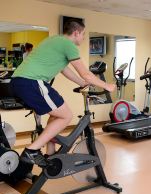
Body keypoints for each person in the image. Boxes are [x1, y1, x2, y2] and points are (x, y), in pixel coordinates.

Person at [10, 19, 116, 167]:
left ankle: (51, 152)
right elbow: (86, 73)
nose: (84, 38)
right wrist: (107, 86)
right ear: (76, 32)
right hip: (32, 82)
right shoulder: (68, 45)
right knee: (66, 116)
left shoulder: (54, 41)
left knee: (56, 114)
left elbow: (64, 70)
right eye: (83, 34)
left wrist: (81, 83)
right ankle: (31, 151)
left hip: (19, 82)